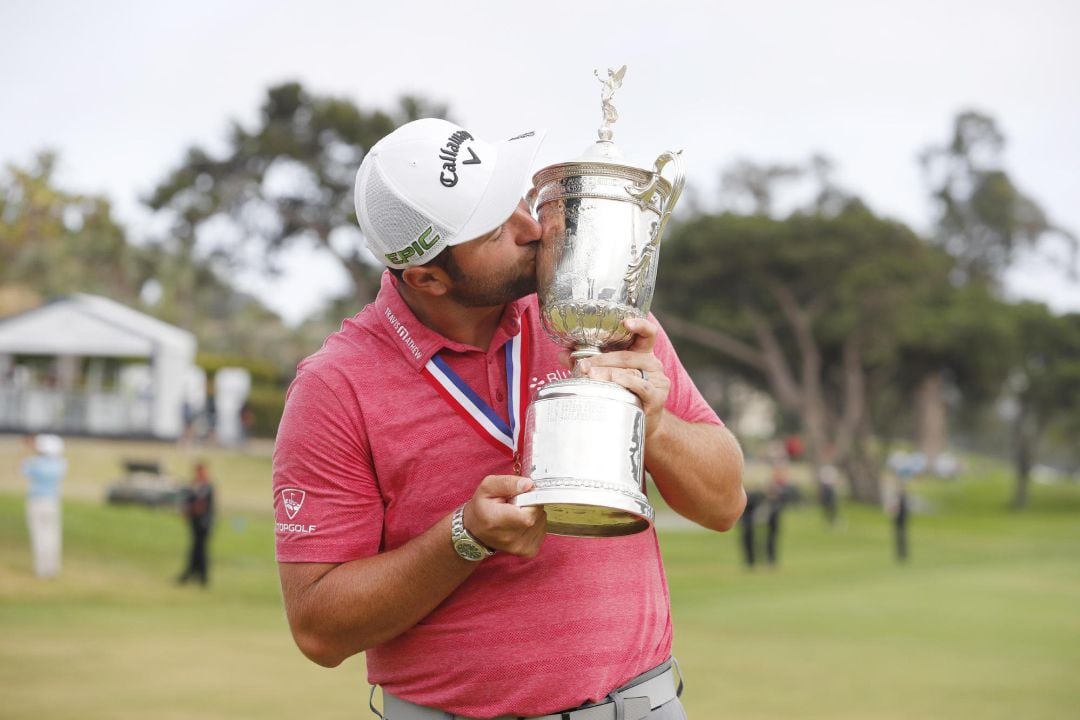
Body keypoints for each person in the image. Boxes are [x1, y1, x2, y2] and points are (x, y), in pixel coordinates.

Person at [273, 117, 746, 720]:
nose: (533, 228)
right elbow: (318, 629)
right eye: (498, 228)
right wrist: (464, 540)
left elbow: (725, 502)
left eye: (520, 200)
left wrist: (654, 425)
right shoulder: (335, 388)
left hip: (639, 706)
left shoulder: (596, 305)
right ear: (427, 277)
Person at [21, 434, 66, 579]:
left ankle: (42, 569)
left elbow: (22, 469)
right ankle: (52, 568)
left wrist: (29, 449)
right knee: (53, 535)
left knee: (40, 535)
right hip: (52, 502)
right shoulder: (60, 464)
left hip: (36, 501)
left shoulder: (34, 463)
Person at [177, 461, 215, 586]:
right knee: (195, 548)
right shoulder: (194, 486)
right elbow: (188, 500)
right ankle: (193, 572)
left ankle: (202, 576)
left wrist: (193, 509)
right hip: (195, 523)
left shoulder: (207, 487)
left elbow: (204, 506)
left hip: (203, 523)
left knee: (201, 549)